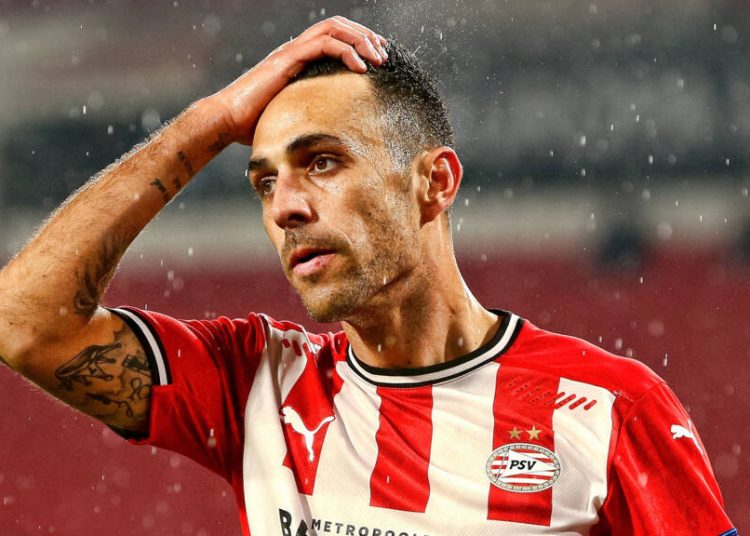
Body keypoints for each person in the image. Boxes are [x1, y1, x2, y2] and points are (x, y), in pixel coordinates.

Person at [0, 16, 737, 536]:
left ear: (434, 184)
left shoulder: (610, 412)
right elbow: (22, 323)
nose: (285, 207)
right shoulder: (255, 384)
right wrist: (211, 121)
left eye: (322, 162)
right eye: (264, 182)